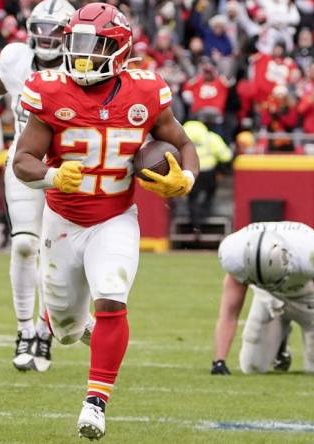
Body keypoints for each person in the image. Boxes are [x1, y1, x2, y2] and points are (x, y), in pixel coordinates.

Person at [12, 3, 199, 440]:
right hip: (61, 219)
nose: (81, 56)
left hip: (115, 217)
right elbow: (22, 160)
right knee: (65, 329)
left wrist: (185, 177)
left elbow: (182, 140)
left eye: (92, 46)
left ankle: (95, 403)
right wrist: (53, 175)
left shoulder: (147, 90)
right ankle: (69, 323)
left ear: (118, 49)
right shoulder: (50, 90)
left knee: (112, 296)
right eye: (75, 44)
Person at [0, 0, 75, 373]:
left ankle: (46, 329)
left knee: (59, 256)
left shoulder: (83, 64)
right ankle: (25, 330)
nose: (46, 37)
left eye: (54, 30)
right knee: (25, 244)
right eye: (40, 28)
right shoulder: (14, 59)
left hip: (69, 169)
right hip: (24, 162)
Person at [212, 221, 314, 376]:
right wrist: (219, 361)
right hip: (268, 296)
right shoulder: (235, 257)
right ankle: (280, 344)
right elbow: (229, 314)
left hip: (310, 294)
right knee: (252, 366)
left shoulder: (310, 255)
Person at [183, 119, 232, 232]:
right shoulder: (211, 137)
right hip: (209, 172)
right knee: (209, 194)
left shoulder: (180, 137)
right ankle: (204, 216)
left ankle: (195, 223)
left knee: (192, 198)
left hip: (189, 172)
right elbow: (226, 156)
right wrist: (222, 171)